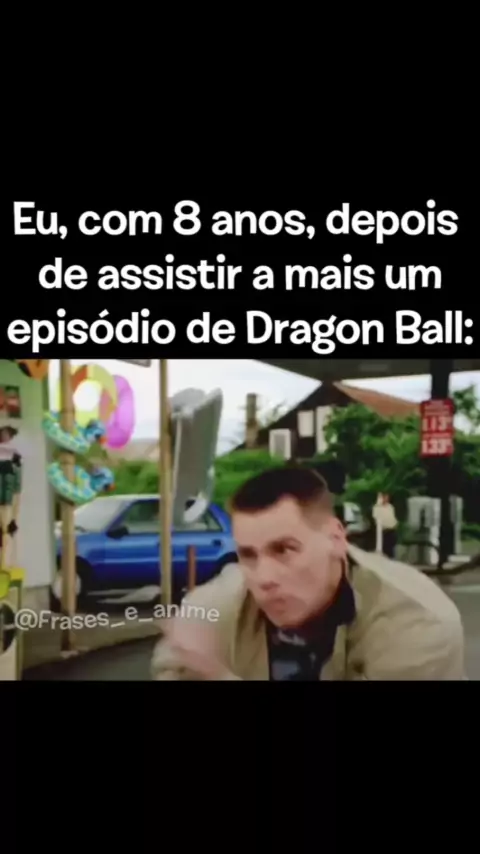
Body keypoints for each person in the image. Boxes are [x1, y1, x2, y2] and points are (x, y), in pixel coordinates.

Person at [152, 467, 465, 681]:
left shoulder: (416, 624)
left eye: (284, 550)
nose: (264, 577)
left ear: (336, 539)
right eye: (248, 555)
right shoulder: (215, 608)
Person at [372, 492, 398, 558]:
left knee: (391, 549)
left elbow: (392, 517)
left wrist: (395, 524)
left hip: (391, 530)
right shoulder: (376, 507)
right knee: (385, 549)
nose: (386, 498)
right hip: (383, 531)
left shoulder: (390, 507)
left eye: (387, 497)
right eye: (384, 497)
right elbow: (376, 518)